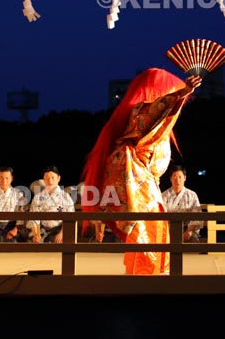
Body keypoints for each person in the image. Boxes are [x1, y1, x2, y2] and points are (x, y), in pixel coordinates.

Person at [81, 68, 202, 275]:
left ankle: (143, 273)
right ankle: (146, 276)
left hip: (141, 178)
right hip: (135, 176)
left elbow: (161, 113)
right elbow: (158, 110)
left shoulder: (149, 120)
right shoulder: (141, 113)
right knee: (149, 228)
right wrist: (182, 93)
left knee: (151, 228)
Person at [28, 166, 74, 243]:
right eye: (47, 178)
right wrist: (36, 234)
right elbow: (34, 218)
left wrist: (61, 234)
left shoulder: (65, 197)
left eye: (53, 177)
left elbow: (70, 218)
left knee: (64, 244)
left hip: (60, 230)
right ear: (44, 179)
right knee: (34, 243)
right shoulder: (38, 197)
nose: (50, 180)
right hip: (42, 230)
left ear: (58, 178)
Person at [161, 164, 203, 242]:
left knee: (193, 242)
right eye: (175, 176)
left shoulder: (192, 195)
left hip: (187, 229)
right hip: (168, 230)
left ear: (185, 178)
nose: (177, 180)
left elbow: (197, 216)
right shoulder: (164, 195)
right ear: (170, 178)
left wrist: (189, 231)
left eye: (180, 177)